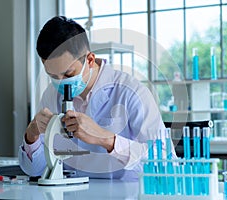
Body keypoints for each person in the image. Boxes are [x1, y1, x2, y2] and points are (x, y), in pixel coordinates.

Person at [18, 16, 177, 181]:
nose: (61, 82)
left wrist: (107, 140)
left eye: (68, 73)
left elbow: (166, 164)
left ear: (90, 60)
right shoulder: (51, 94)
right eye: (53, 76)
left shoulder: (131, 92)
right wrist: (32, 135)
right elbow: (34, 170)